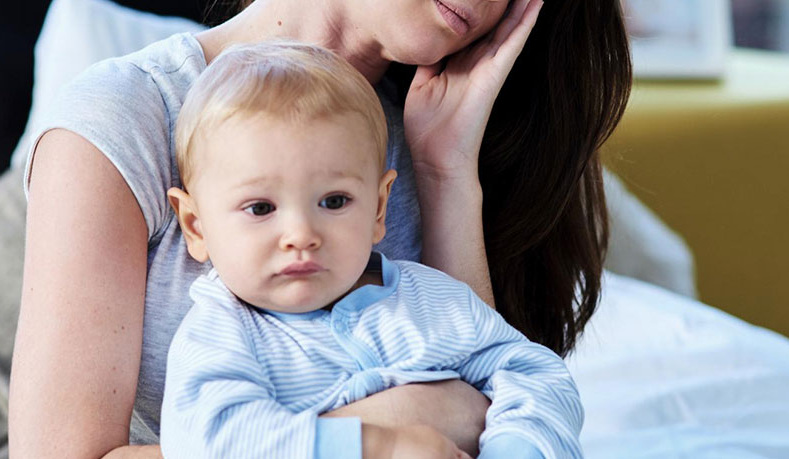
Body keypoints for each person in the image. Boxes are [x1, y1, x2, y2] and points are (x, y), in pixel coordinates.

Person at [9, 0, 630, 456]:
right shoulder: (126, 116)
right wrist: (375, 434)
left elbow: (479, 404)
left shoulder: (428, 141)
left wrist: (446, 168)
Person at [159, 41, 584, 459]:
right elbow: (209, 442)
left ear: (379, 208)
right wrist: (381, 445)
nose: (301, 234)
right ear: (196, 226)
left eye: (334, 201)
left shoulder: (430, 300)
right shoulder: (221, 332)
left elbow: (535, 374)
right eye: (261, 208)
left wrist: (515, 446)